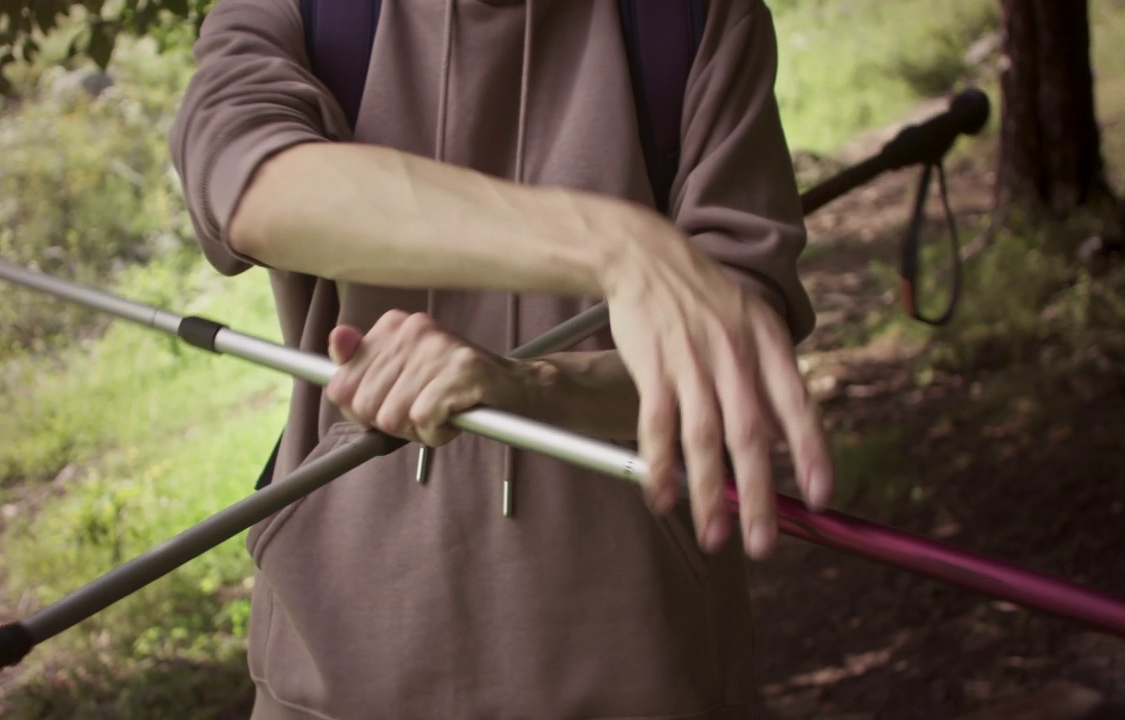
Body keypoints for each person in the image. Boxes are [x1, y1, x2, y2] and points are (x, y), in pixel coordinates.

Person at [169, 0, 833, 716]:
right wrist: (613, 245)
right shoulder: (303, 9)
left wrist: (528, 387)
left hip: (639, 665)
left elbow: (727, 346)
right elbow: (247, 182)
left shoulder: (694, 19)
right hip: (336, 676)